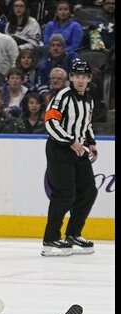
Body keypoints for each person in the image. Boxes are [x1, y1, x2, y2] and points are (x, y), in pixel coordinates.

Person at [41, 60, 98, 257]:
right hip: (60, 149)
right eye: (77, 76)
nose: (81, 80)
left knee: (89, 192)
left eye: (84, 76)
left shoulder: (89, 99)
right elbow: (50, 121)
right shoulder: (63, 96)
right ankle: (50, 239)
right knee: (64, 194)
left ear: (89, 79)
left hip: (79, 149)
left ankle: (73, 233)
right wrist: (70, 141)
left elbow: (85, 123)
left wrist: (91, 142)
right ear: (71, 78)